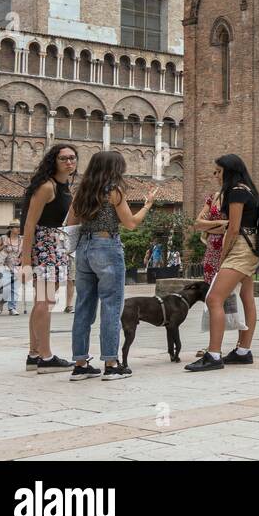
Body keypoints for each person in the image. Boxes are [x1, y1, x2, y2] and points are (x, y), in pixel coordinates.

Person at [67, 150, 158, 380]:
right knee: (111, 306)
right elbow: (130, 223)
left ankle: (80, 364)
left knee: (83, 307)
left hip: (84, 249)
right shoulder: (113, 191)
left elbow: (71, 223)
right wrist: (147, 205)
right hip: (106, 246)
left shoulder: (81, 192)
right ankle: (110, 363)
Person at [186, 154, 259, 372]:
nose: (215, 175)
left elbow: (234, 228)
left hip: (239, 249)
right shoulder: (248, 189)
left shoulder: (236, 191)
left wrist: (222, 257)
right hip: (250, 248)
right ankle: (243, 350)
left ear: (229, 171)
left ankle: (213, 354)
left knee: (213, 298)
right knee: (247, 298)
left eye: (218, 171)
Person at [18, 144, 78, 374]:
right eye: (64, 158)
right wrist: (25, 261)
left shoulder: (63, 187)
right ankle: (46, 357)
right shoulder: (47, 187)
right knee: (45, 301)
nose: (69, 162)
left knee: (42, 302)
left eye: (72, 158)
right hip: (44, 247)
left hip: (53, 246)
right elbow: (29, 224)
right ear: (54, 161)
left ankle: (34, 354)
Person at [0, 223, 24, 315]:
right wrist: (2, 247)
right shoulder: (3, 238)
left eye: (19, 227)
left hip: (17, 266)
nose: (19, 229)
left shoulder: (22, 239)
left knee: (15, 289)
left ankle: (12, 308)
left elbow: (24, 253)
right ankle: (1, 302)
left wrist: (23, 262)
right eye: (16, 227)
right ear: (10, 229)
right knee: (6, 287)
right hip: (3, 265)